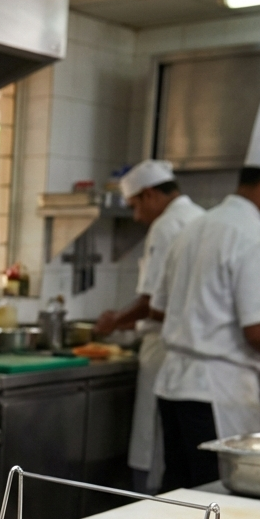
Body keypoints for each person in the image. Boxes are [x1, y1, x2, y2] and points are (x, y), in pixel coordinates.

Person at [152, 92, 260, 490]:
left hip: (173, 387)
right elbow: (258, 332)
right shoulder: (256, 236)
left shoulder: (195, 227)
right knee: (219, 507)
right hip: (216, 394)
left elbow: (162, 307)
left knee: (180, 496)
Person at [94, 161, 203, 493]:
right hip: (192, 354)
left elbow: (153, 302)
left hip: (165, 350)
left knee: (152, 443)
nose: (137, 217)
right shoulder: (201, 218)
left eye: (135, 206)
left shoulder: (167, 225)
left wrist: (113, 321)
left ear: (151, 194)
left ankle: (148, 499)